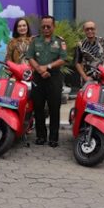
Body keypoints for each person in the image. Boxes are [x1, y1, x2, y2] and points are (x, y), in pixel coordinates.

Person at [28, 15, 67, 147]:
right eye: (43, 26)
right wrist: (40, 70)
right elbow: (30, 57)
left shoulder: (60, 41)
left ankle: (53, 138)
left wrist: (48, 67)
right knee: (38, 107)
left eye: (48, 26)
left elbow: (63, 59)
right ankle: (40, 136)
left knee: (54, 108)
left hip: (54, 77)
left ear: (53, 27)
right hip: (38, 77)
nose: (45, 29)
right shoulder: (35, 40)